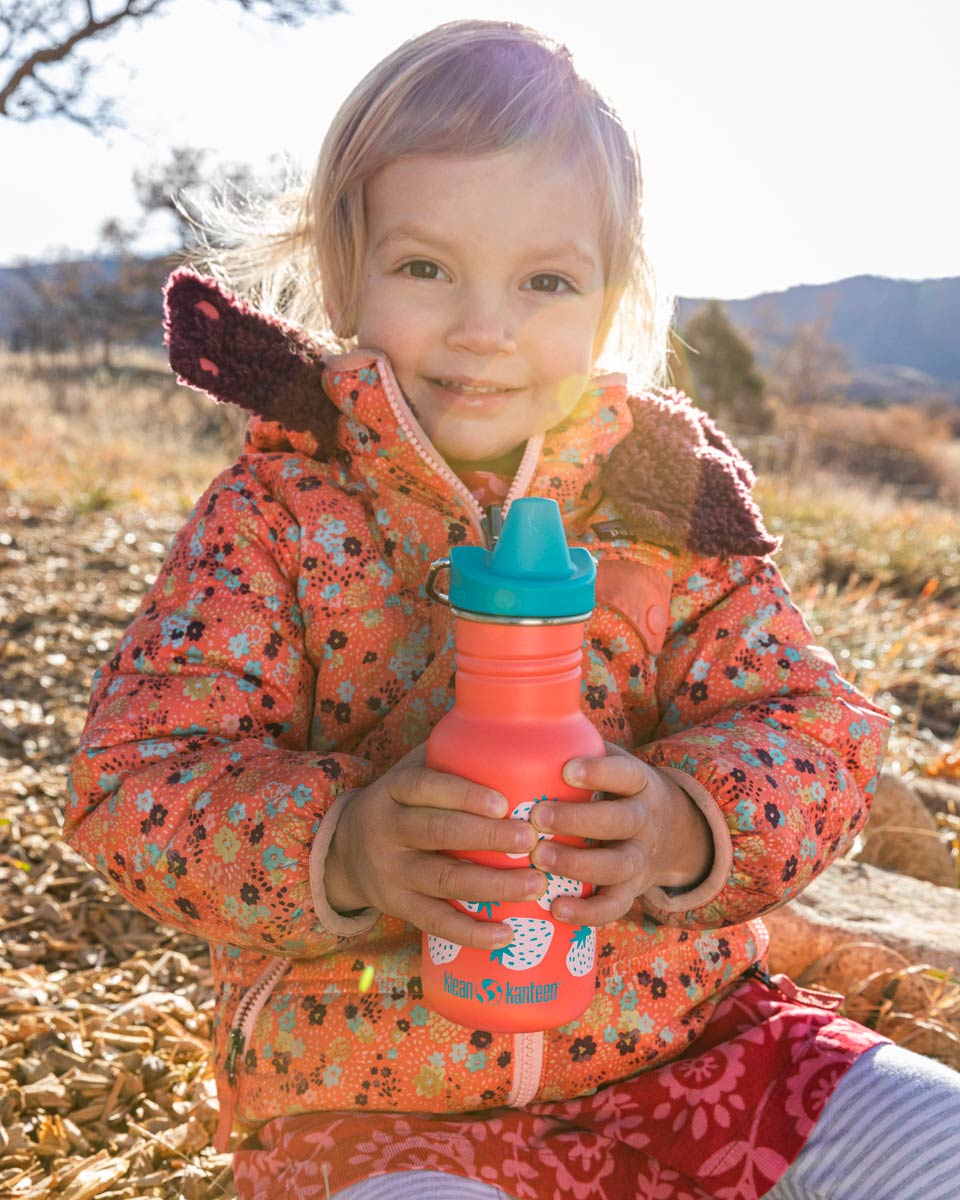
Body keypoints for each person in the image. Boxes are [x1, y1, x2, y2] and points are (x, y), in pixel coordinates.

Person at [65, 18, 960, 1200]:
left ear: (610, 296)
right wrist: (348, 847)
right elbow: (134, 780)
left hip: (697, 1050)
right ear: (348, 273)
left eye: (544, 280)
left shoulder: (662, 496)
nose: (485, 328)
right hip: (373, 1094)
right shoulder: (281, 511)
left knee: (933, 1145)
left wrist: (687, 825)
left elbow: (810, 721)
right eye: (427, 267)